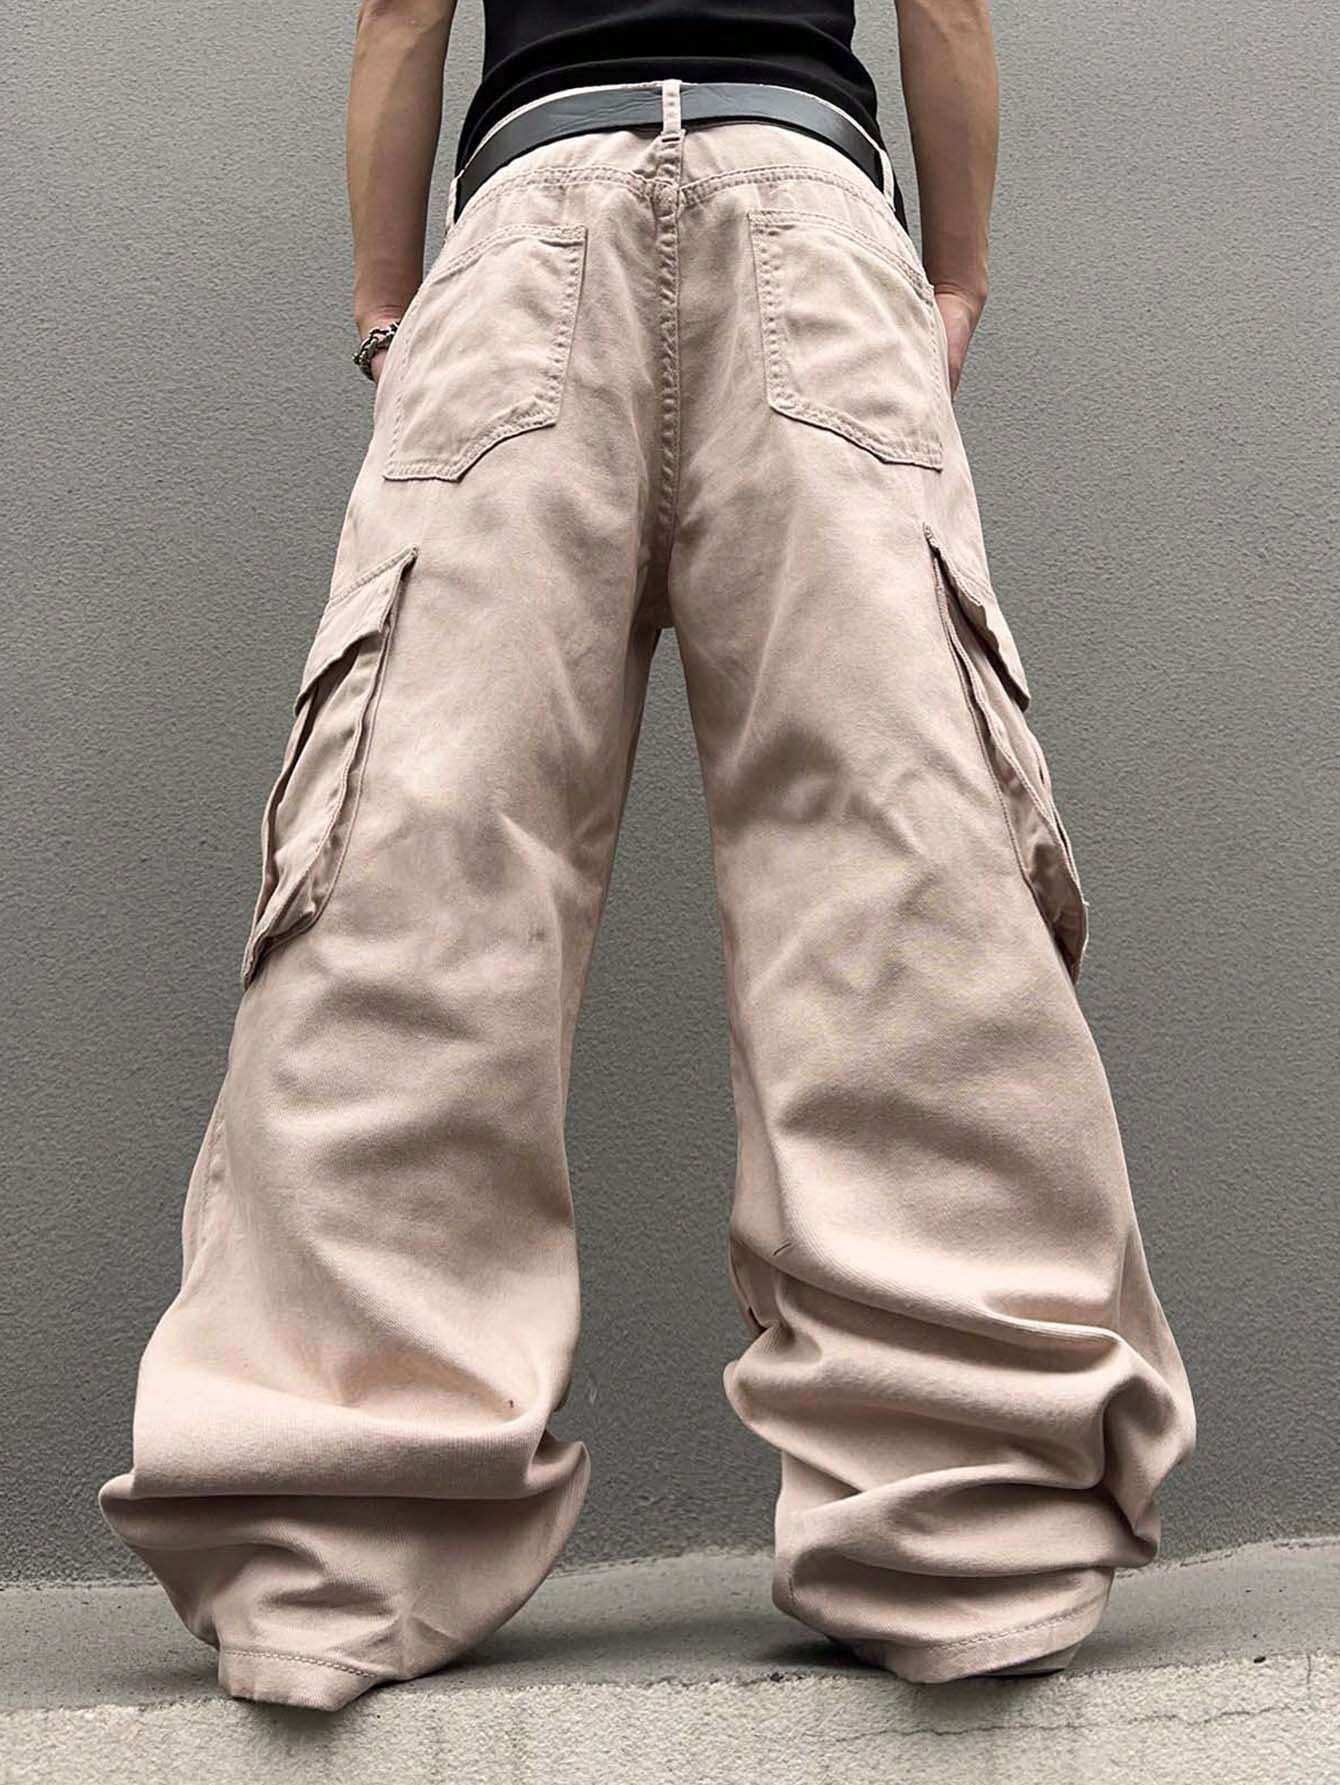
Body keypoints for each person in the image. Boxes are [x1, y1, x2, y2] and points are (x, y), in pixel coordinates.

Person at [97, 0, 1198, 1710]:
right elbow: (945, 7)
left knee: (423, 871)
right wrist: (955, 274)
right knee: (899, 861)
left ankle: (328, 1535)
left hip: (529, 219)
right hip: (810, 208)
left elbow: (402, 15)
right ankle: (970, 1522)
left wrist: (388, 304)